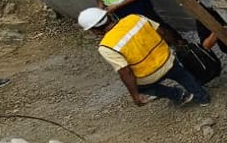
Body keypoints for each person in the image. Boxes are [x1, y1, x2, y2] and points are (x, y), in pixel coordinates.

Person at [78, 7, 210, 108]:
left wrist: (135, 95)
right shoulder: (134, 18)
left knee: (141, 87)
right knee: (182, 75)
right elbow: (162, 32)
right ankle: (203, 98)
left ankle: (179, 96)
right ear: (108, 16)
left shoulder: (106, 47)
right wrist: (177, 45)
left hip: (148, 76)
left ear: (94, 31)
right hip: (167, 59)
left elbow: (125, 72)